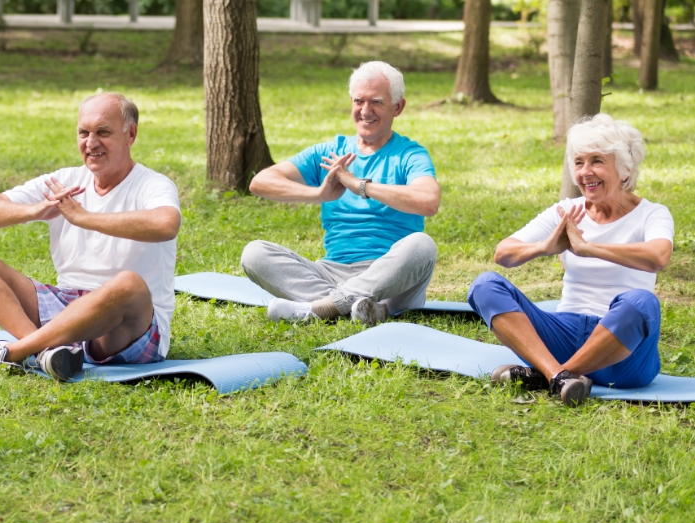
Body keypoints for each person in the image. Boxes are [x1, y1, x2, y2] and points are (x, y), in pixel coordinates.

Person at [0, 93, 181, 382]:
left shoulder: (152, 184)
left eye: (103, 132)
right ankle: (46, 353)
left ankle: (13, 353)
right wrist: (34, 210)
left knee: (129, 284)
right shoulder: (64, 181)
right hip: (65, 305)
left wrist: (84, 218)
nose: (91, 143)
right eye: (83, 133)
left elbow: (166, 223)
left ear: (131, 134)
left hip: (128, 326)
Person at [467, 115, 673, 406]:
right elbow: (503, 253)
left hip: (624, 356)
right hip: (564, 334)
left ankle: (547, 375)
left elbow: (658, 256)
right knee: (485, 284)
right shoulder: (567, 211)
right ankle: (559, 377)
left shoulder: (652, 213)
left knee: (641, 302)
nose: (586, 172)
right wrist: (545, 246)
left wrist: (590, 248)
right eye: (578, 163)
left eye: (597, 161)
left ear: (625, 169)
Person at [241, 61, 440, 325]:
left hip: (392, 277)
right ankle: (366, 308)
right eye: (359, 101)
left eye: (377, 102)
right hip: (332, 272)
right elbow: (261, 182)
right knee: (254, 253)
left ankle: (322, 308)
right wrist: (319, 195)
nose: (365, 111)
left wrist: (360, 185)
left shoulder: (409, 154)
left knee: (422, 245)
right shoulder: (331, 152)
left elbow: (427, 201)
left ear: (398, 107)